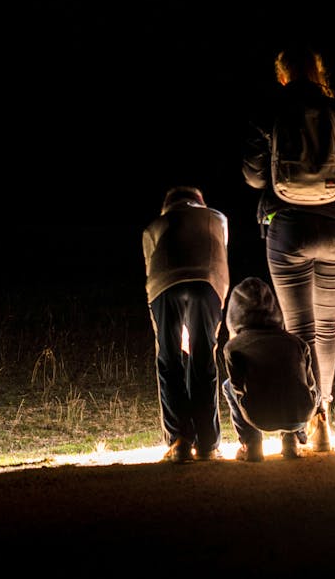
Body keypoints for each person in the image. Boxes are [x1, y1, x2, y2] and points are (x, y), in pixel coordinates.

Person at [242, 45, 335, 452]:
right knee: (330, 327)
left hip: (287, 225)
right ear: (317, 73)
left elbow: (253, 177)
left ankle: (303, 421)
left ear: (283, 77)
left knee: (299, 329)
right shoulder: (334, 109)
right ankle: (324, 416)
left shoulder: (269, 110)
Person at [142, 185, 229, 463]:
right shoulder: (216, 218)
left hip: (165, 285)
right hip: (208, 282)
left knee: (169, 359)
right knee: (203, 358)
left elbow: (150, 269)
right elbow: (220, 254)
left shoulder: (155, 226)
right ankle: (208, 444)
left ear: (167, 206)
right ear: (200, 202)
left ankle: (179, 440)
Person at [222, 276, 320, 461]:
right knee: (304, 383)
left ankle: (251, 444)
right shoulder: (296, 342)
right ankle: (292, 439)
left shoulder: (233, 348)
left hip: (260, 418)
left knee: (228, 386)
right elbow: (311, 386)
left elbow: (238, 388)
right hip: (301, 415)